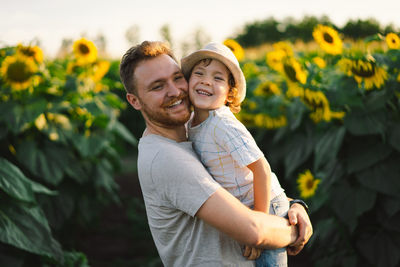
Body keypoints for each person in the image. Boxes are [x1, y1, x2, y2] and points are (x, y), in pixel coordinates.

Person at [120, 40, 313, 267]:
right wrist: (294, 229)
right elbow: (255, 231)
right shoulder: (166, 159)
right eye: (157, 86)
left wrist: (295, 205)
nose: (175, 91)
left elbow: (244, 179)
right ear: (134, 101)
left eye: (177, 77)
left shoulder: (199, 127)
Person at [181, 42, 290, 266]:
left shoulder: (222, 123)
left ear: (230, 93)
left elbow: (262, 169)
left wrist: (261, 222)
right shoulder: (192, 123)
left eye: (218, 78)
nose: (206, 80)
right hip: (243, 208)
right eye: (199, 73)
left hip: (265, 205)